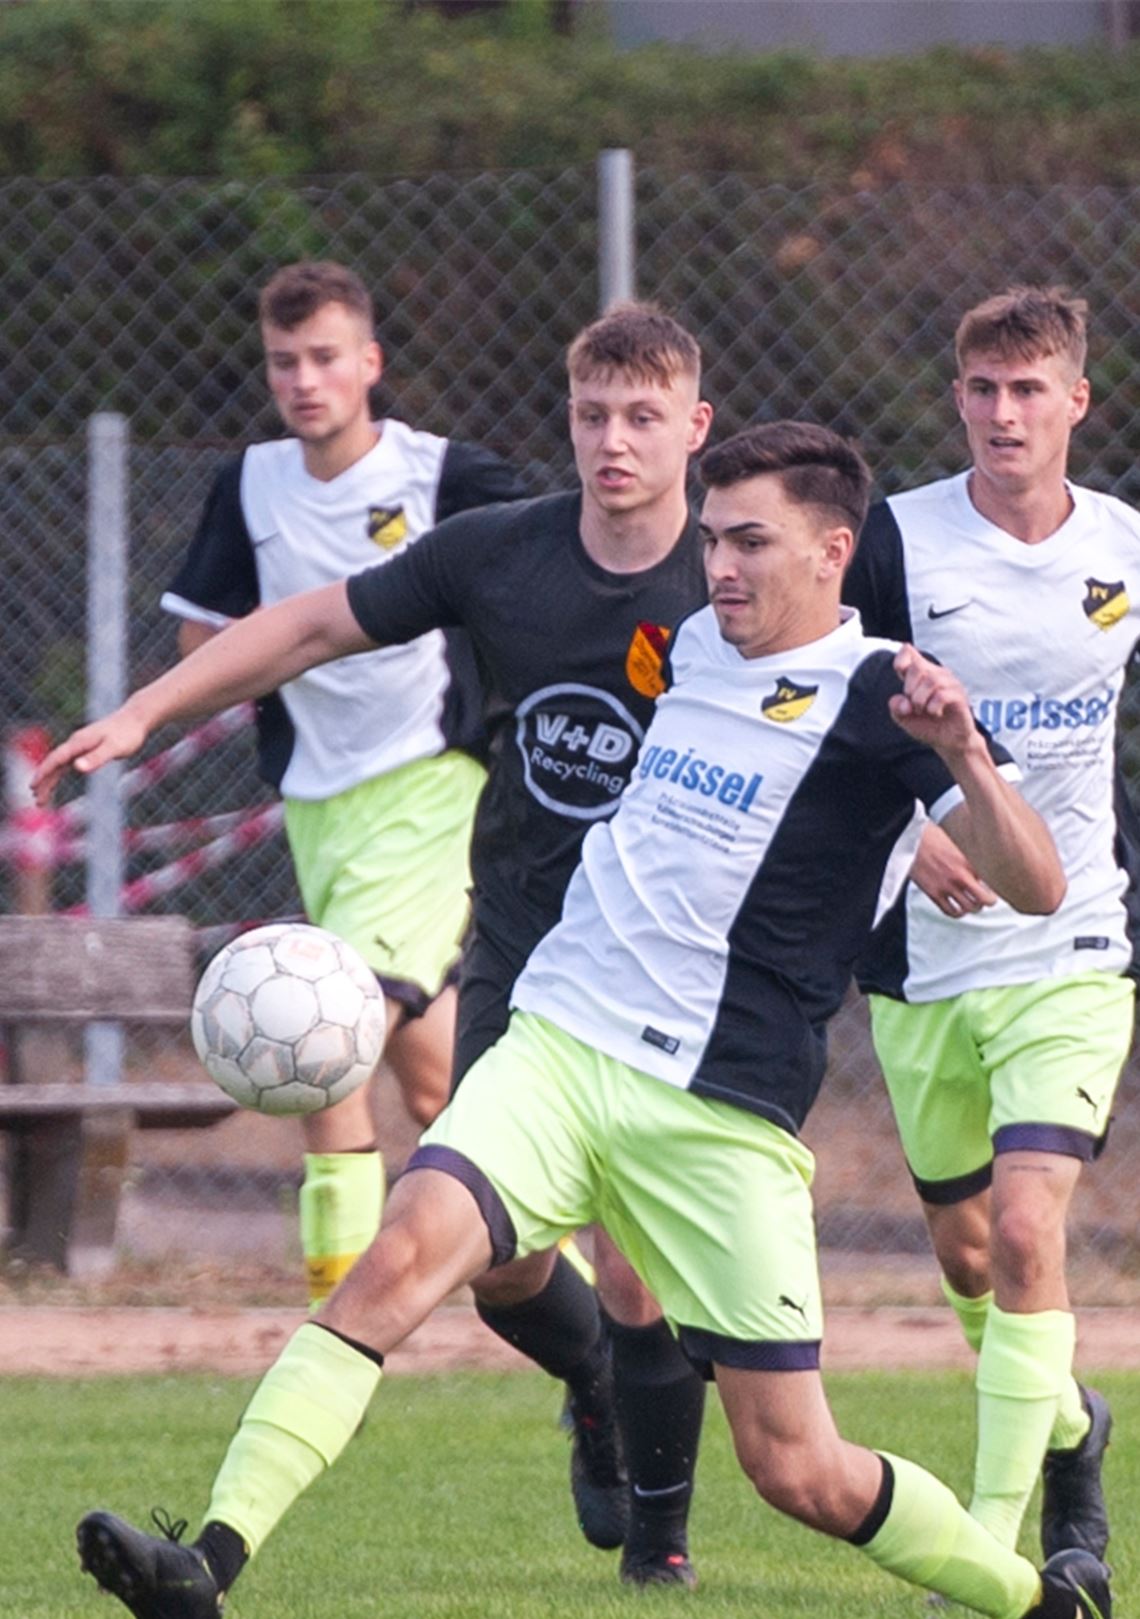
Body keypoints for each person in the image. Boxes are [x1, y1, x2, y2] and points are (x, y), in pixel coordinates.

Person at [44, 422, 1107, 1619]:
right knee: (398, 1257)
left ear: (831, 549)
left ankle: (1030, 1599)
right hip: (560, 1041)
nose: (720, 567)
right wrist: (148, 713)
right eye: (711, 540)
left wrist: (963, 758)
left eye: (751, 542)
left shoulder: (885, 697)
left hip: (718, 1112)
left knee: (796, 1466)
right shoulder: (696, 644)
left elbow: (1038, 885)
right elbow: (326, 622)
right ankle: (208, 1560)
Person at [82, 301, 719, 1584]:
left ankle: (660, 1543)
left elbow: (845, 709)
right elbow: (314, 622)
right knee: (498, 1266)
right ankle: (586, 1380)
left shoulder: (737, 571)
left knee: (649, 1279)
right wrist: (147, 709)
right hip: (526, 965)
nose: (613, 439)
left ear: (695, 428)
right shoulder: (503, 552)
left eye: (643, 416)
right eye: (592, 413)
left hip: (677, 983)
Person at [160, 260, 526, 1314]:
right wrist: (286, 646)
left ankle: (339, 1313)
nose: (305, 380)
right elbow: (200, 630)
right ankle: (570, 1292)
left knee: (320, 1036)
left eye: (325, 357)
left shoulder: (439, 474)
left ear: (369, 363)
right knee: (435, 1082)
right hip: (319, 803)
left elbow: (557, 549)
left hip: (428, 787)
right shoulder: (253, 483)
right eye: (285, 362)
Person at [844, 285, 1139, 1562]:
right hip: (922, 960)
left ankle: (1013, 1550)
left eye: (1030, 389)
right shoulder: (895, 542)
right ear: (957, 397)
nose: (1003, 412)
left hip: (1073, 943)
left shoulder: (1125, 542)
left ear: (1078, 400)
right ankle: (1072, 1426)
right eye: (982, 388)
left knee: (1030, 1230)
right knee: (976, 1265)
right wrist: (915, 834)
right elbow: (820, 707)